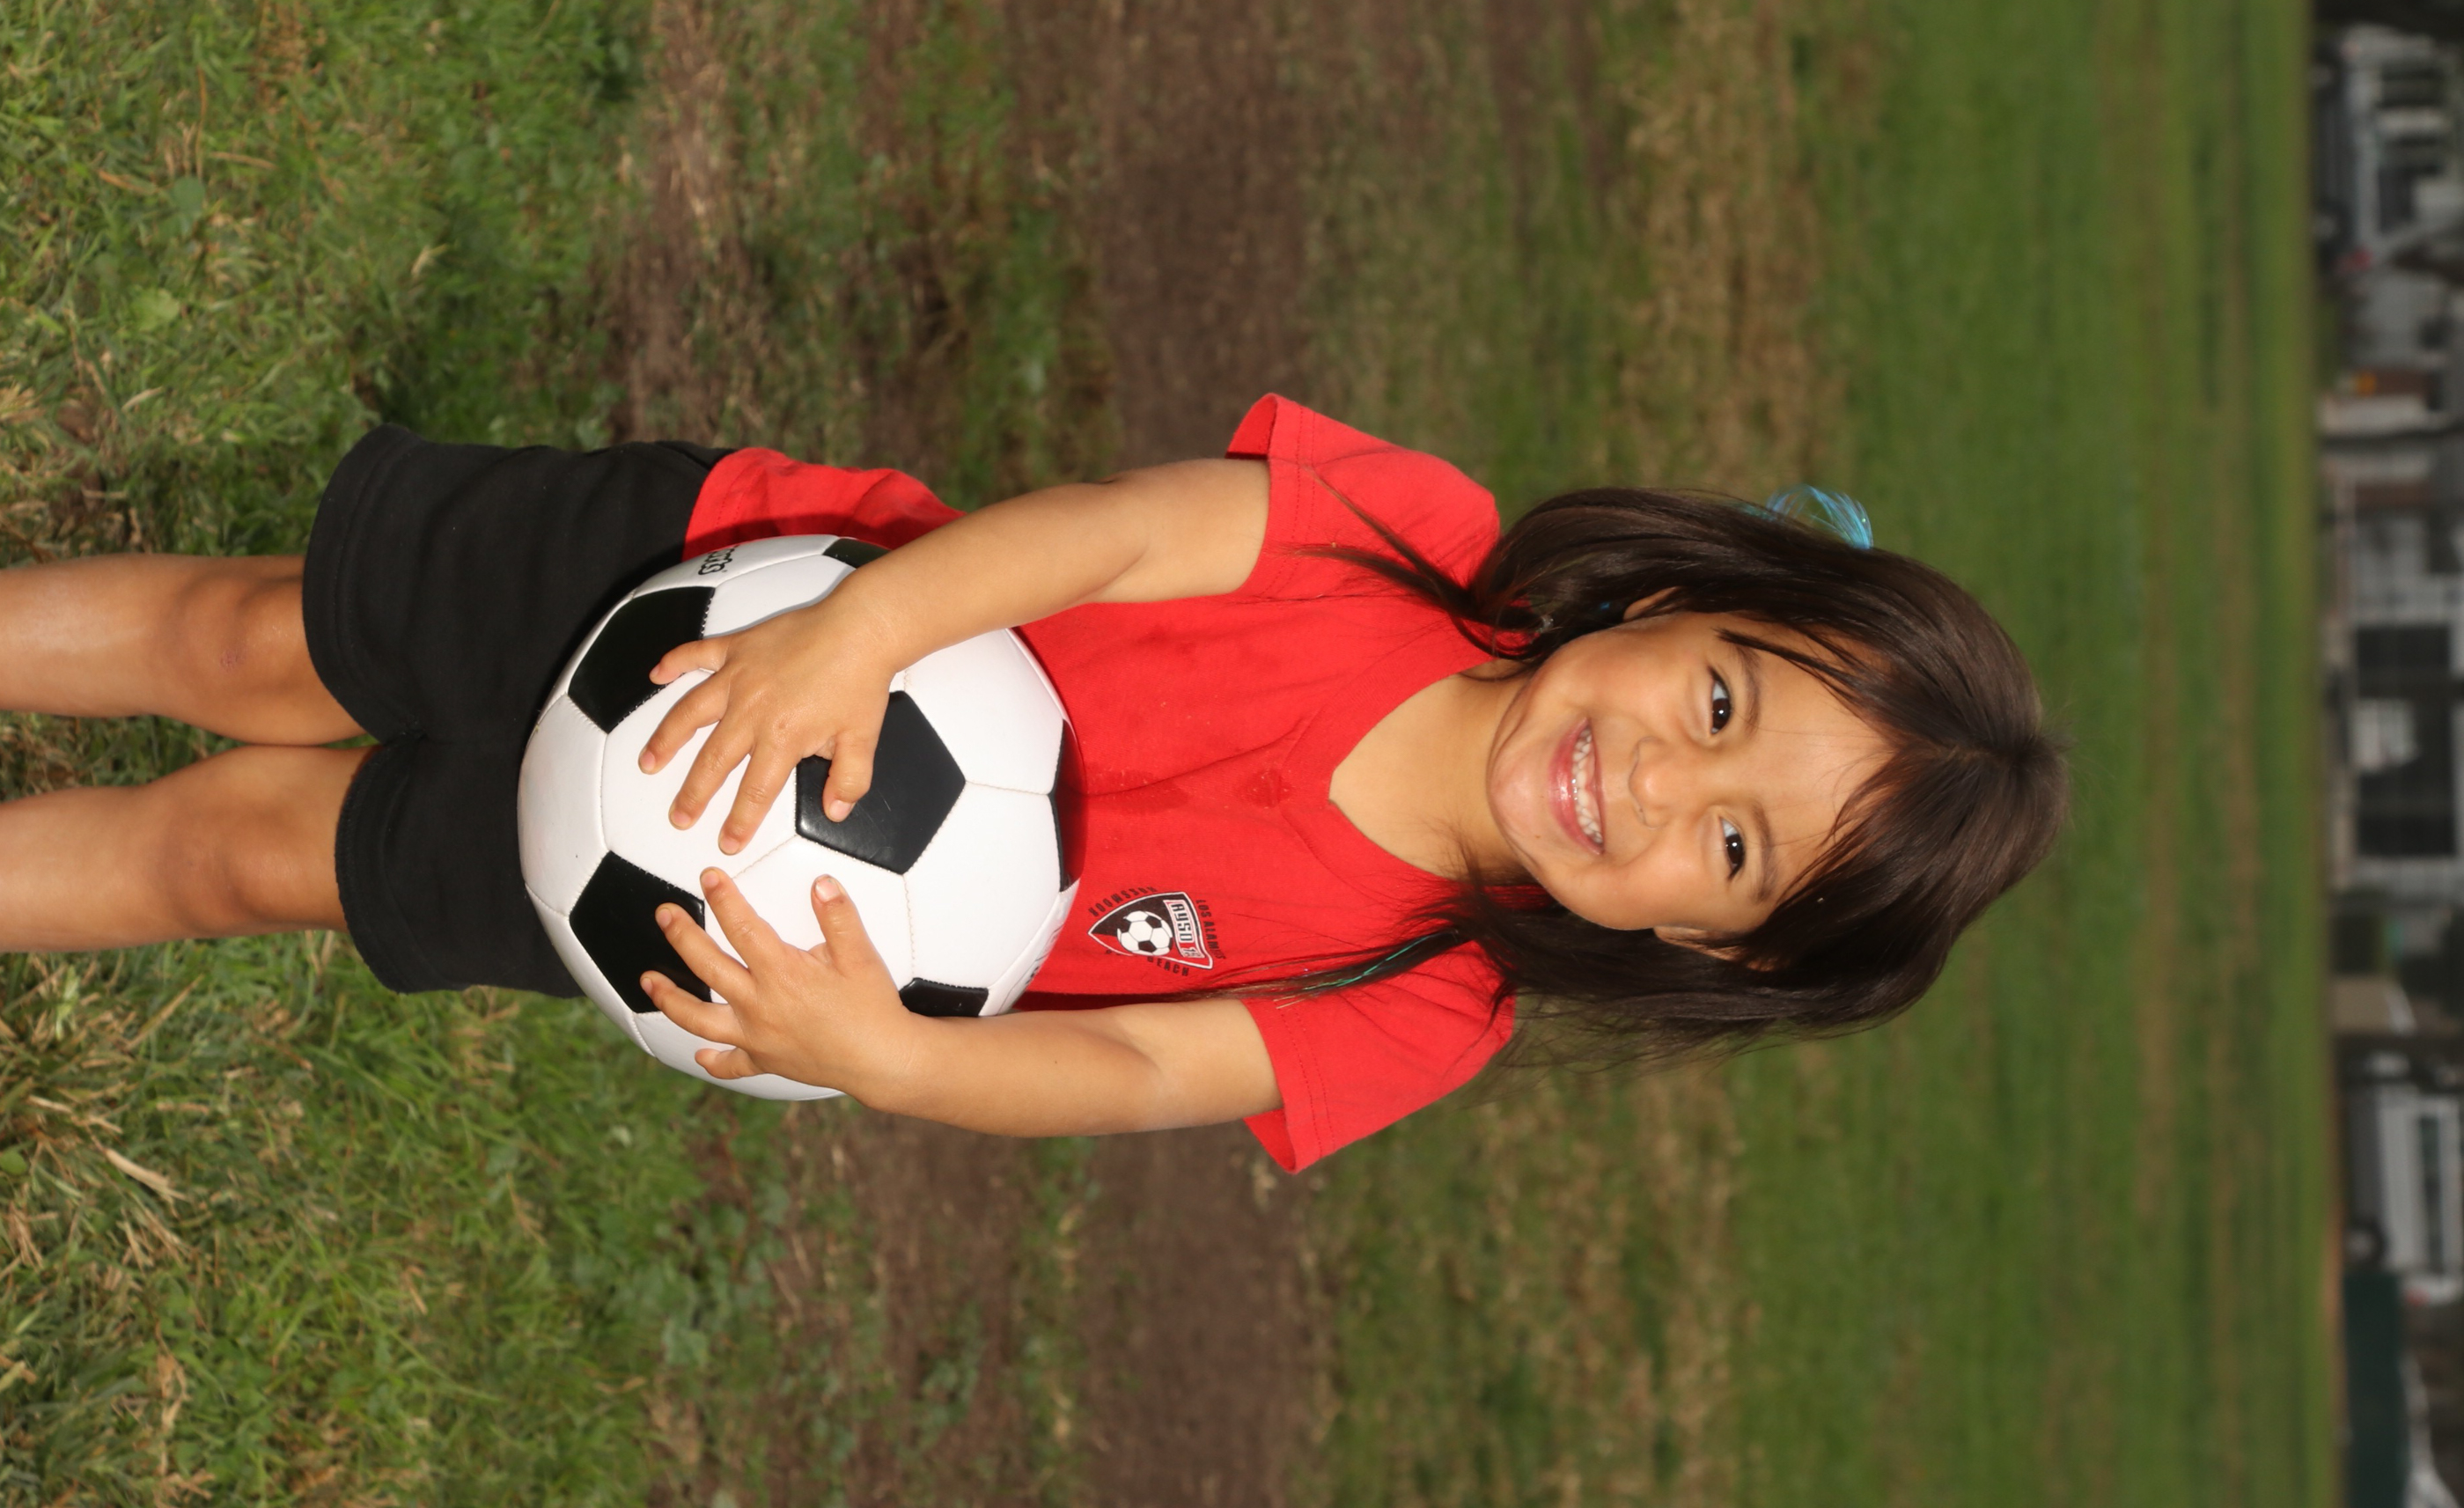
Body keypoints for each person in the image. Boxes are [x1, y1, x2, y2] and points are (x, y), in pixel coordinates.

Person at [0, 397, 2064, 1171]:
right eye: (1715, 700)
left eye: (1732, 845)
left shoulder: (1418, 1003)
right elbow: (1115, 531)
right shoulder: (1405, 537)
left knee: (257, 853)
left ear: (1710, 946)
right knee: (255, 642)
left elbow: (1138, 1070)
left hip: (719, 905)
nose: (1651, 779)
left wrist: (886, 1053)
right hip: (733, 592)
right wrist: (860, 635)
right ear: (1684, 599)